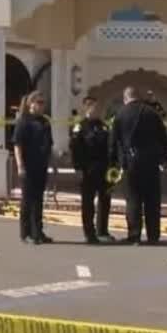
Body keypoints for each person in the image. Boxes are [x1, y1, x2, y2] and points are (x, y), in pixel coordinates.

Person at [111, 86, 167, 245]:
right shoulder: (152, 113)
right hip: (151, 162)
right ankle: (153, 236)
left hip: (131, 163)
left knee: (133, 199)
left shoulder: (120, 115)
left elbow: (114, 141)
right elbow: (163, 137)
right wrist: (165, 159)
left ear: (126, 98)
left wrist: (113, 163)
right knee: (152, 200)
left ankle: (134, 235)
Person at [70, 96, 114, 244]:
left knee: (105, 200)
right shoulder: (80, 126)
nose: (98, 110)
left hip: (104, 169)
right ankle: (89, 232)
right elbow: (75, 149)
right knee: (88, 202)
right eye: (95, 107)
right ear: (87, 108)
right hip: (88, 169)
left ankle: (103, 230)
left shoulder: (103, 126)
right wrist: (78, 168)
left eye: (98, 107)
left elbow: (109, 146)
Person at [12, 91, 54, 245]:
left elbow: (49, 143)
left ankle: (38, 231)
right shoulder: (24, 121)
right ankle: (26, 233)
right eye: (40, 102)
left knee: (38, 200)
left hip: (41, 166)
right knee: (27, 201)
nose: (43, 106)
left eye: (44, 103)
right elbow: (18, 145)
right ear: (31, 104)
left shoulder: (44, 122)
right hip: (28, 166)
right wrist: (20, 165)